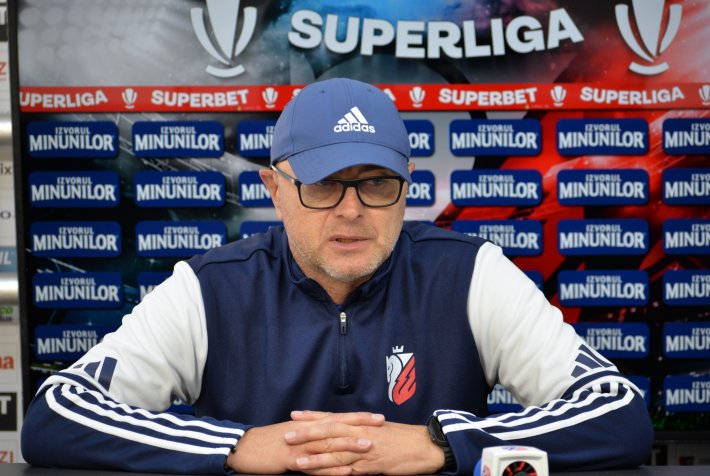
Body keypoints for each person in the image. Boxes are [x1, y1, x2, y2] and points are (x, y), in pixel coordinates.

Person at [21, 77, 653, 475]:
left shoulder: (470, 275)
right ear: (275, 189)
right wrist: (234, 446)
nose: (351, 210)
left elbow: (618, 413)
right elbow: (58, 414)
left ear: (407, 189)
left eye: (375, 183)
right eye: (323, 184)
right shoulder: (211, 289)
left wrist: (440, 443)